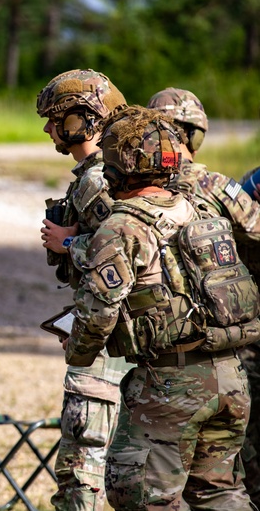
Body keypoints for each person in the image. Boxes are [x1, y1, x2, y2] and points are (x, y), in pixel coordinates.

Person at [65, 105, 259, 510]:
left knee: (139, 496)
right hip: (231, 376)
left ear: (119, 167)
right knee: (220, 492)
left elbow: (97, 313)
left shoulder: (121, 226)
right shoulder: (201, 208)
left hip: (171, 384)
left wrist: (79, 352)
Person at [148, 88, 260, 508]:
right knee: (224, 482)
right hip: (233, 352)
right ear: (196, 138)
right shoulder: (222, 188)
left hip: (169, 355)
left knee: (150, 487)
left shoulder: (138, 193)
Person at [36, 69, 133, 511]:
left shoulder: (97, 180)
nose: (48, 129)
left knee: (82, 471)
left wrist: (68, 243)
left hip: (106, 343)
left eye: (55, 119)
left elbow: (125, 255)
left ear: (80, 119)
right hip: (121, 336)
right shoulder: (110, 172)